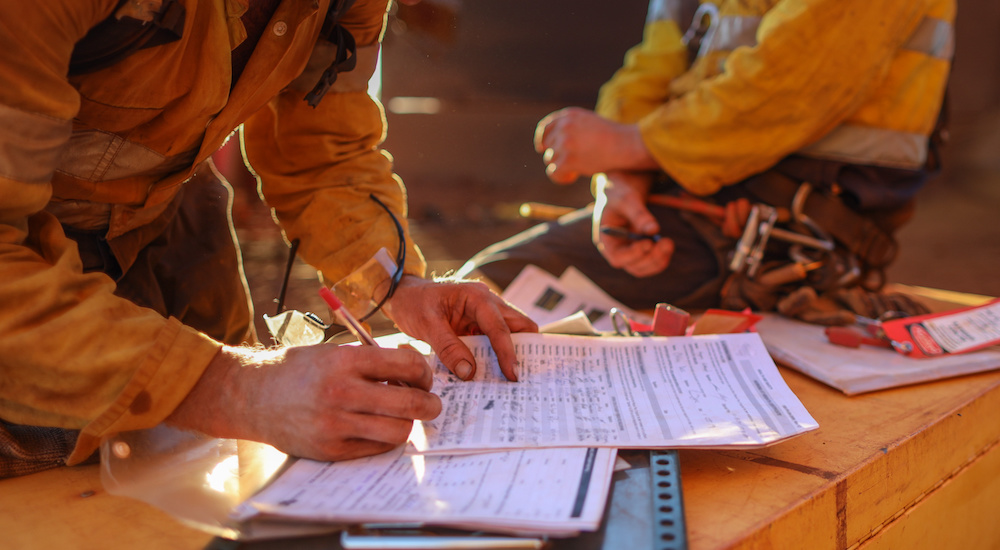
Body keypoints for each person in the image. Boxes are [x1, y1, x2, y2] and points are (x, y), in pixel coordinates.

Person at [0, 0, 537, 478]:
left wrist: (398, 286)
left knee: (206, 472)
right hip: (24, 277)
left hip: (171, 215)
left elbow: (322, 152)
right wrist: (234, 387)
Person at [459, 0, 954, 324]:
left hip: (798, 232)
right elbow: (651, 67)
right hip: (690, 202)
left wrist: (629, 145)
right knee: (474, 300)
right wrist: (622, 182)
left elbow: (796, 85)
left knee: (489, 292)